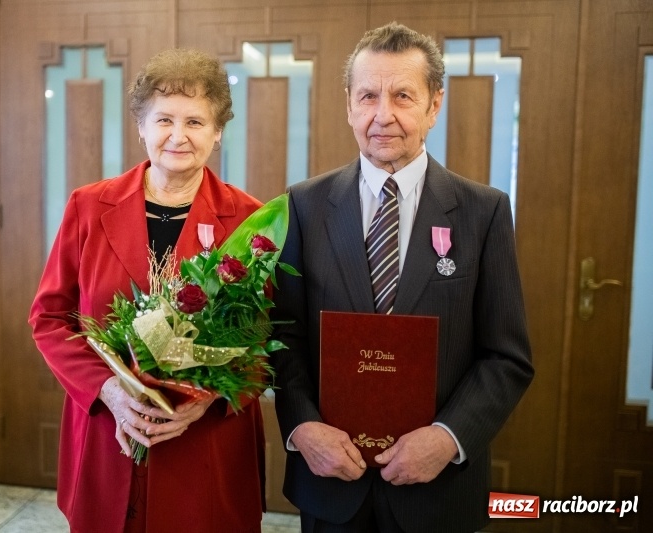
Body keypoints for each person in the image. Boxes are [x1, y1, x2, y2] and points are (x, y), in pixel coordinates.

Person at [269, 22, 534, 533]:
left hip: (438, 491)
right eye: (367, 96)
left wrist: (448, 437)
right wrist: (302, 427)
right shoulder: (304, 206)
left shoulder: (484, 213)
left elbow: (507, 356)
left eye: (403, 96)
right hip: (333, 482)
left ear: (435, 105)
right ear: (348, 104)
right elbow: (284, 335)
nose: (382, 115)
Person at [29, 48, 266, 533]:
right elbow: (50, 319)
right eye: (164, 120)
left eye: (196, 122)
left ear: (218, 131)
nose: (178, 136)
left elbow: (268, 342)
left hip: (206, 448)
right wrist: (110, 390)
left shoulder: (249, 220)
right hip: (107, 436)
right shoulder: (89, 207)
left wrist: (204, 398)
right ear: (140, 125)